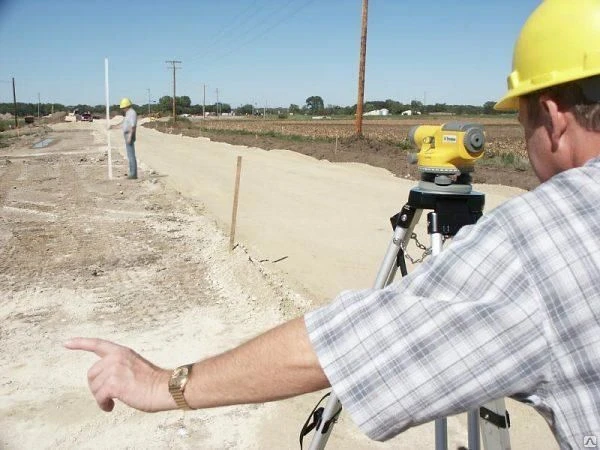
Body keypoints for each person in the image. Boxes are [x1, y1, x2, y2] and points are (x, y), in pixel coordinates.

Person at [66, 2, 600, 448]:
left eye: (523, 119)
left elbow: (352, 344)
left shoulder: (546, 235)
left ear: (551, 118)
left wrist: (166, 384)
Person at [119, 97, 138, 179]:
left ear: (126, 106)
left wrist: (130, 137)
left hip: (129, 134)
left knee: (131, 155)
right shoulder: (128, 113)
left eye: (123, 107)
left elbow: (133, 126)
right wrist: (113, 126)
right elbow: (123, 124)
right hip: (127, 134)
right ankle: (132, 173)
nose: (123, 109)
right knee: (129, 155)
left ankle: (133, 174)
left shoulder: (132, 113)